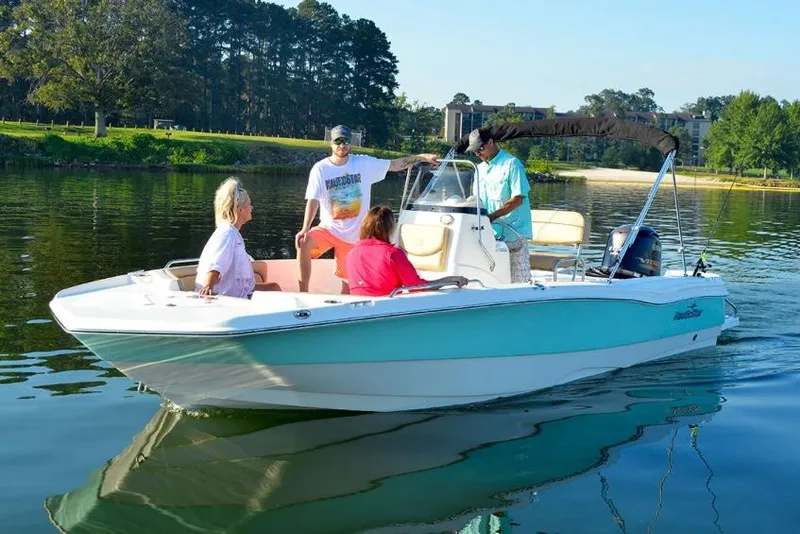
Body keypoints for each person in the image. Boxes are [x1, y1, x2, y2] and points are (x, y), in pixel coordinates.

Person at [296, 124, 441, 294]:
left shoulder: (363, 163)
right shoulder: (320, 169)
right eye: (338, 141)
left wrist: (422, 157)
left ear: (350, 143)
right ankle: (302, 293)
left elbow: (395, 165)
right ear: (331, 143)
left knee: (347, 286)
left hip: (354, 237)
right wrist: (305, 227)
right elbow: (312, 200)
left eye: (345, 141)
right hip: (329, 229)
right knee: (303, 242)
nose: (342, 145)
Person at [346, 205, 469, 297]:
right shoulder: (392, 253)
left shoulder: (352, 253)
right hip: (387, 309)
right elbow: (417, 288)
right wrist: (449, 280)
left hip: (359, 306)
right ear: (389, 228)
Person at [466, 128, 533, 283]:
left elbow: (518, 199)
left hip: (514, 233)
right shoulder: (479, 169)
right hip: (488, 233)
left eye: (480, 149)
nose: (478, 154)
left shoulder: (512, 164)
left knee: (519, 282)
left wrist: (492, 216)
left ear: (491, 142)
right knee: (490, 279)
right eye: (474, 151)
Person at [196, 177, 281, 298]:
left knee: (274, 288)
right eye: (249, 205)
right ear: (240, 209)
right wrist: (208, 286)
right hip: (229, 297)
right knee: (275, 290)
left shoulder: (231, 232)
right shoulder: (228, 233)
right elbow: (216, 264)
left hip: (240, 292)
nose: (252, 208)